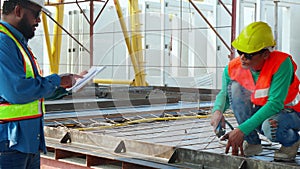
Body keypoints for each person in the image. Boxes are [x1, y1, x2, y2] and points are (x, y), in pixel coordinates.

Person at [0, 0, 82, 168]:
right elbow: (17, 91)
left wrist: (63, 86)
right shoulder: (3, 43)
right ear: (18, 11)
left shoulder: (17, 43)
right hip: (8, 142)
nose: (38, 21)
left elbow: (33, 88)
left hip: (24, 141)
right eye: (36, 14)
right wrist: (56, 80)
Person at [210, 21, 300, 161]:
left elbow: (275, 104)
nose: (242, 58)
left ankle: (291, 142)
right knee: (234, 88)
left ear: (265, 54)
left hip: (292, 112)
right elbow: (224, 94)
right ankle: (252, 142)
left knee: (270, 127)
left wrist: (241, 130)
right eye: (240, 52)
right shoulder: (234, 67)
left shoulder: (281, 64)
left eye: (249, 55)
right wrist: (217, 111)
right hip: (264, 110)